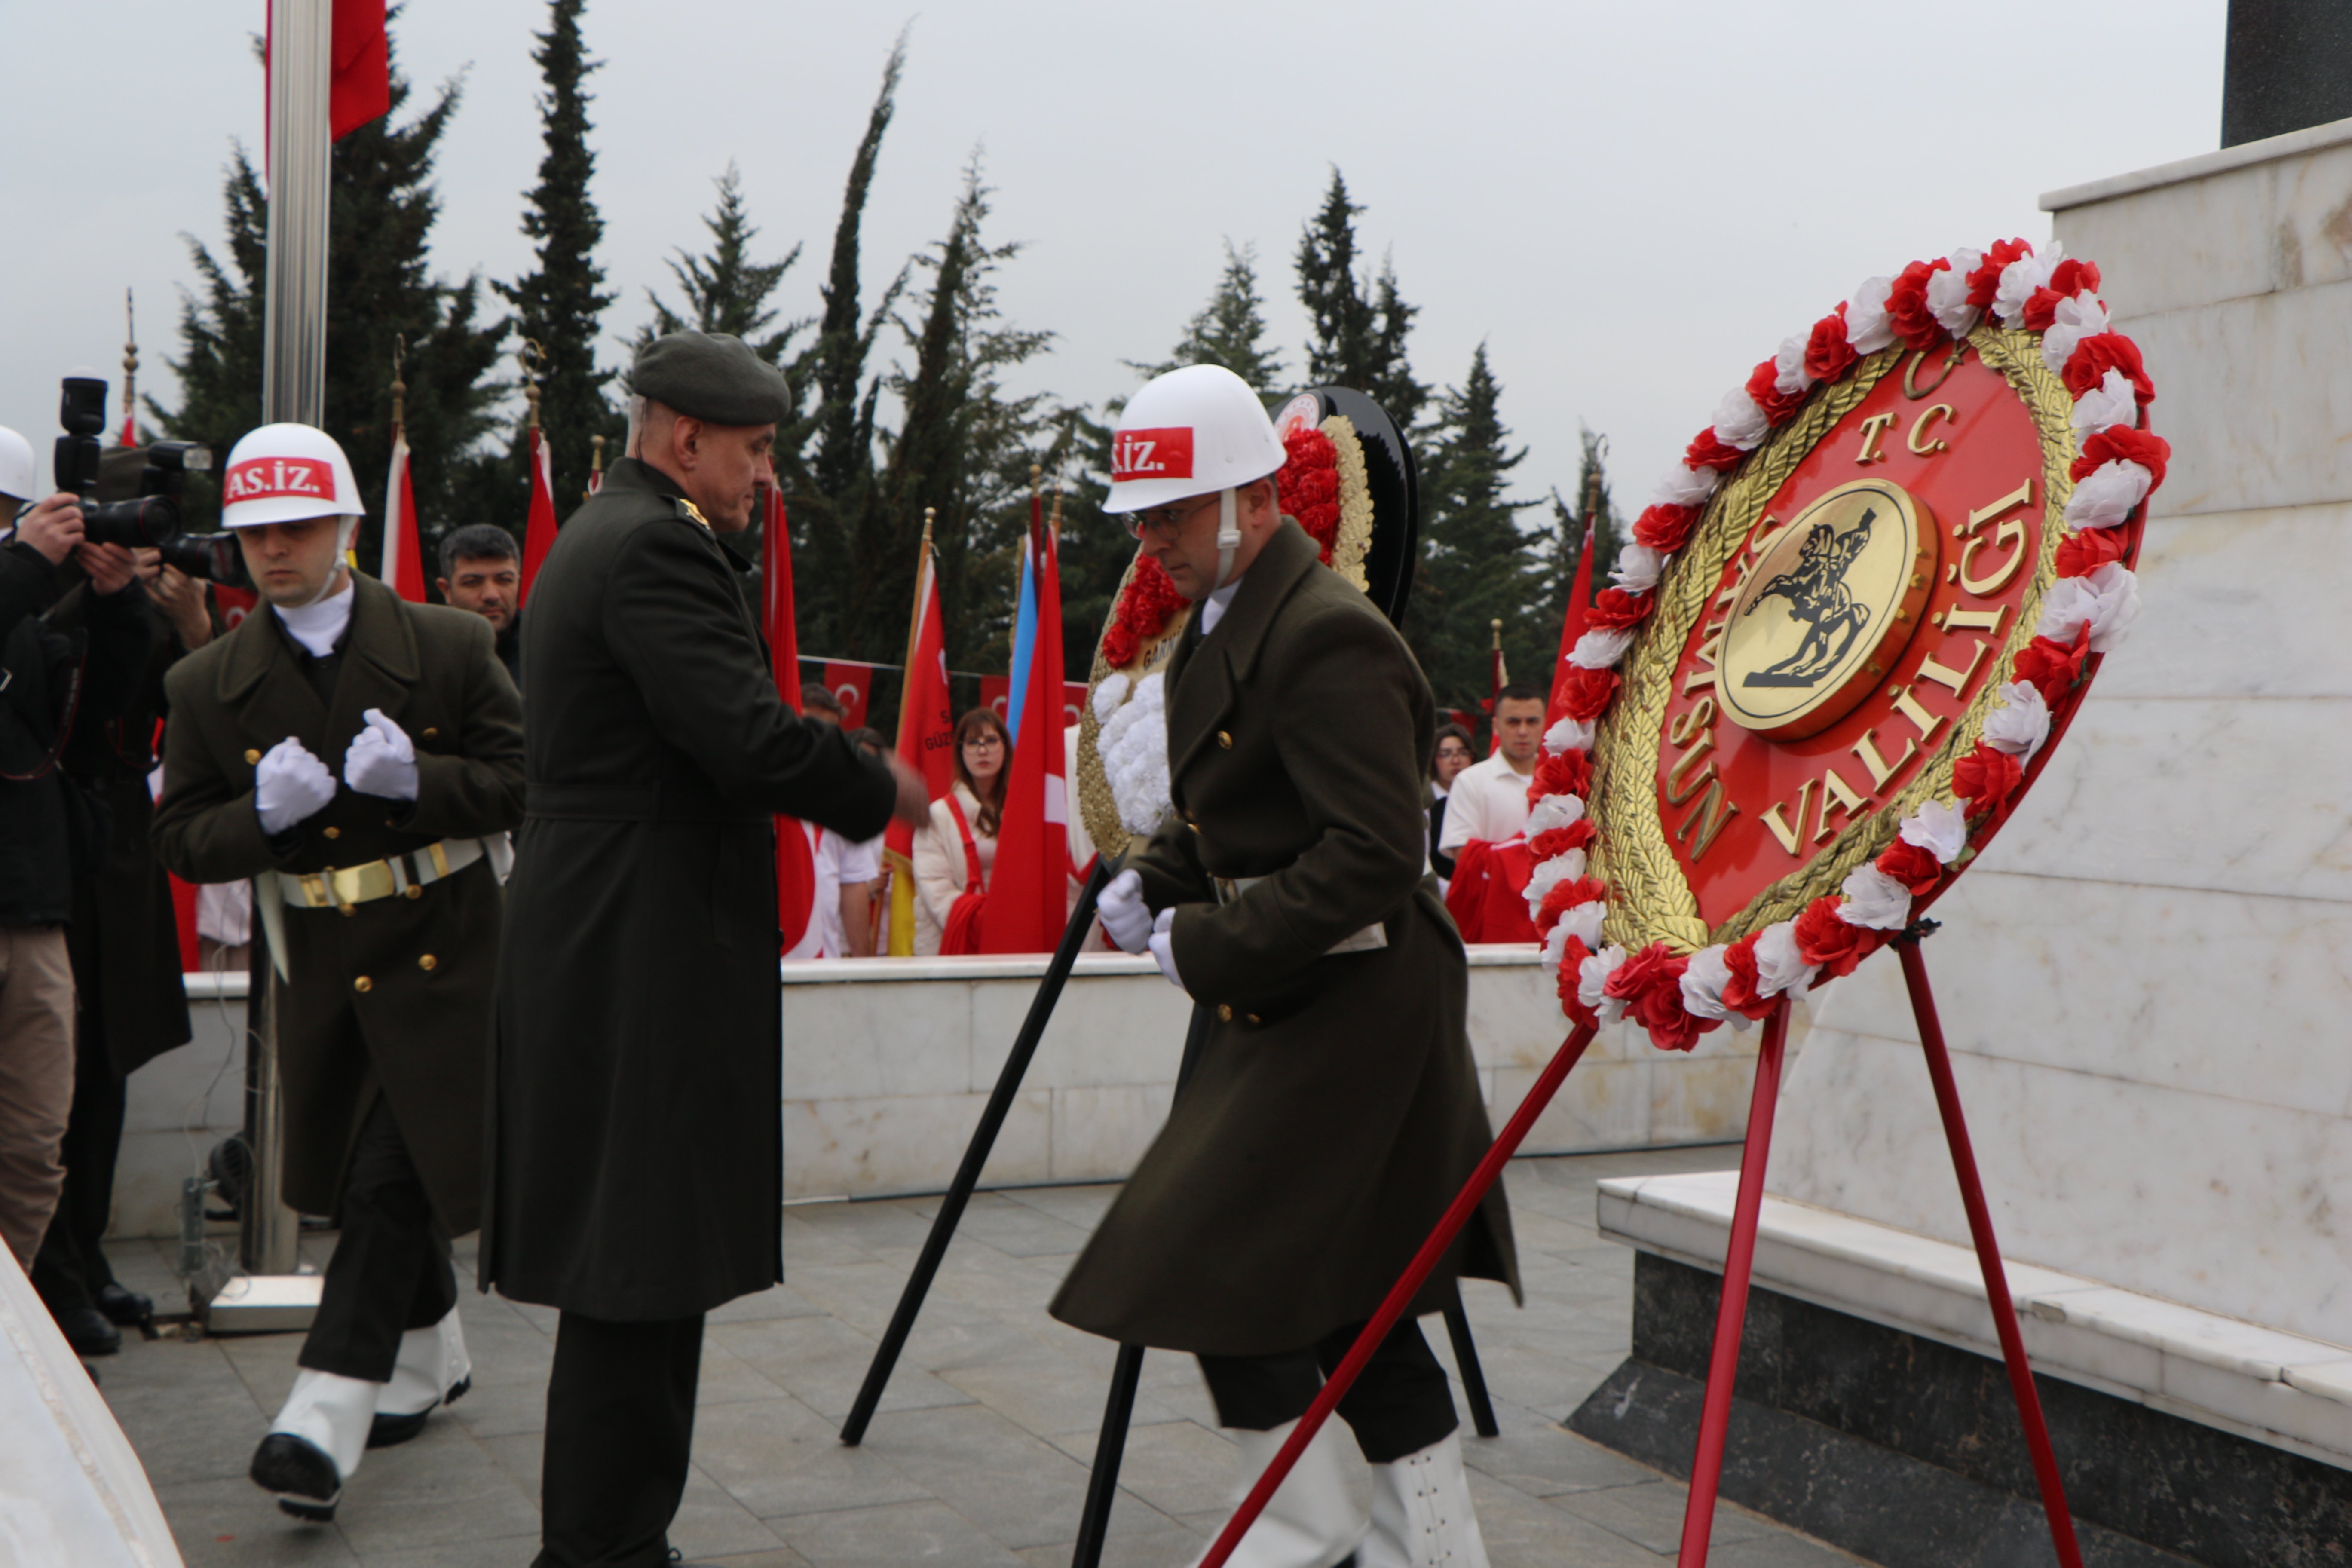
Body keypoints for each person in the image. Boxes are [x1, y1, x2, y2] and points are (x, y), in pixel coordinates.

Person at [1054, 364, 1516, 1568]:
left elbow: (1373, 855)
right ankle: (1410, 1541)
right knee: (1330, 1293)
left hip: (1356, 1001)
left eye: (1170, 515)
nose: (1152, 544)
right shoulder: (1235, 618)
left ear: (1252, 500)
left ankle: (1322, 1528)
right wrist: (1153, 878)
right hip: (1295, 993)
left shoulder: (1325, 637)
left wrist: (1206, 941)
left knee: (1220, 1256)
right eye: (1144, 519)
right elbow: (1236, 806)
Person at [482, 330, 922, 1568]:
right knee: (637, 1264)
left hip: (619, 927)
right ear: (686, 440)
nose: (765, 477)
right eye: (756, 449)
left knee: (643, 1262)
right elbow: (747, 739)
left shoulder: (602, 533)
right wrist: (882, 788)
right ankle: (603, 1551)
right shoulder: (661, 548)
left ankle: (620, 1540)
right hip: (641, 943)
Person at [151, 422, 524, 1521]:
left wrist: (424, 785)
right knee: (373, 1181)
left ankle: (322, 1413)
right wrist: (261, 821)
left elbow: (520, 780)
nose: (276, 550)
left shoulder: (451, 643)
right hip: (322, 967)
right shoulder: (207, 680)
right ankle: (428, 1354)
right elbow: (179, 838)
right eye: (256, 531)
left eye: (299, 526)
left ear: (350, 527)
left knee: (382, 1183)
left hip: (449, 955)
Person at [33, 514, 215, 1359]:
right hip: (59, 839)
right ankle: (54, 1266)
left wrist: (192, 629)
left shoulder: (156, 617)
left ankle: (88, 1252)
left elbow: (199, 722)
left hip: (126, 841)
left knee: (110, 1064)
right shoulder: (58, 606)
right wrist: (111, 599)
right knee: (56, 1071)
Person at [0, 445, 153, 1283]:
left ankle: (11, 1334)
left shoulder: (26, 612)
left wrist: (115, 599)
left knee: (31, 1153)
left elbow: (98, 717)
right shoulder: (16, 582)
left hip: (31, 907)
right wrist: (26, 564)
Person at [1439, 684, 1546, 944]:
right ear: (1496, 726)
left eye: (1532, 722)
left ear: (1546, 724)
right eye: (1513, 722)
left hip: (1553, 922)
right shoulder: (1471, 781)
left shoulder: (1564, 780)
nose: (1523, 731)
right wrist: (1526, 849)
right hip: (1498, 925)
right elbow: (1464, 859)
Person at [788, 686, 881, 960]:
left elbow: (854, 887)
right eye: (809, 722)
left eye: (827, 730)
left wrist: (863, 969)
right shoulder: (752, 786)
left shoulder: (843, 800)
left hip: (822, 965)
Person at [910, 706, 1008, 956]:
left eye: (991, 741)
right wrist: (988, 922)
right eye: (973, 743)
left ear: (1006, 747)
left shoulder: (1024, 811)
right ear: (961, 752)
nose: (982, 750)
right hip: (951, 944)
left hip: (1011, 938)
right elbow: (936, 890)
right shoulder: (937, 815)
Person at [434, 524, 522, 685]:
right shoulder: (421, 660)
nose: (491, 595)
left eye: (504, 580)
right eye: (473, 582)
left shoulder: (553, 653)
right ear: (447, 590)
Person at [1426, 723, 1474, 890]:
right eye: (1446, 754)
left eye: (1463, 753)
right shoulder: (1427, 803)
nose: (1456, 761)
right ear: (1434, 759)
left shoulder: (1479, 795)